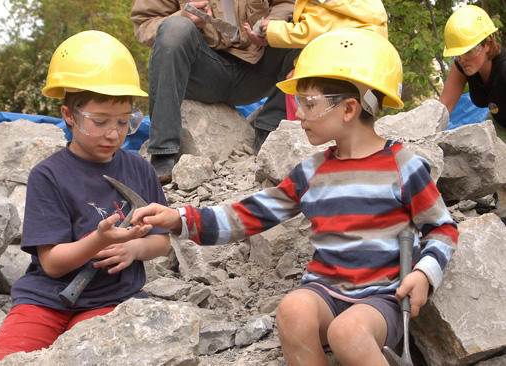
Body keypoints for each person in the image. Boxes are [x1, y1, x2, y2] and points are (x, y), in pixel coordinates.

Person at [131, 29, 458, 366]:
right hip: (324, 292)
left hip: (380, 301)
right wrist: (180, 219)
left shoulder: (403, 166)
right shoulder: (311, 171)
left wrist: (423, 274)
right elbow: (249, 215)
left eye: (309, 103)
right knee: (292, 311)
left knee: (348, 333)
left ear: (348, 109)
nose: (298, 113)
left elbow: (442, 229)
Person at [0, 30, 170, 365]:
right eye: (99, 122)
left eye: (124, 122)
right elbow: (52, 264)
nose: (113, 133)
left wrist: (133, 248)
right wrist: (98, 240)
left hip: (112, 300)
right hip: (45, 300)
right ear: (69, 115)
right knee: (5, 360)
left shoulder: (140, 170)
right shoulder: (49, 175)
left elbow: (162, 240)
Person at [131, 0, 300, 183]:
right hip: (203, 73)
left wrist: (271, 26)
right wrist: (183, 17)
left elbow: (288, 4)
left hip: (258, 70)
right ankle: (163, 151)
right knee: (175, 27)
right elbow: (145, 23)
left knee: (307, 26)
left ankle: (269, 127)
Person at [242, 0, 389, 120]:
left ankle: (291, 133)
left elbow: (311, 31)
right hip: (366, 72)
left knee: (301, 85)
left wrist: (273, 30)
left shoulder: (325, 4)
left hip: (334, 68)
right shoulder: (365, 6)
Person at [439, 5, 505, 134]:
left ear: (488, 44)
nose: (462, 59)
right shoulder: (462, 65)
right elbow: (444, 107)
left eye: (468, 51)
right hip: (499, 124)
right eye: (458, 54)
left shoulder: (503, 70)